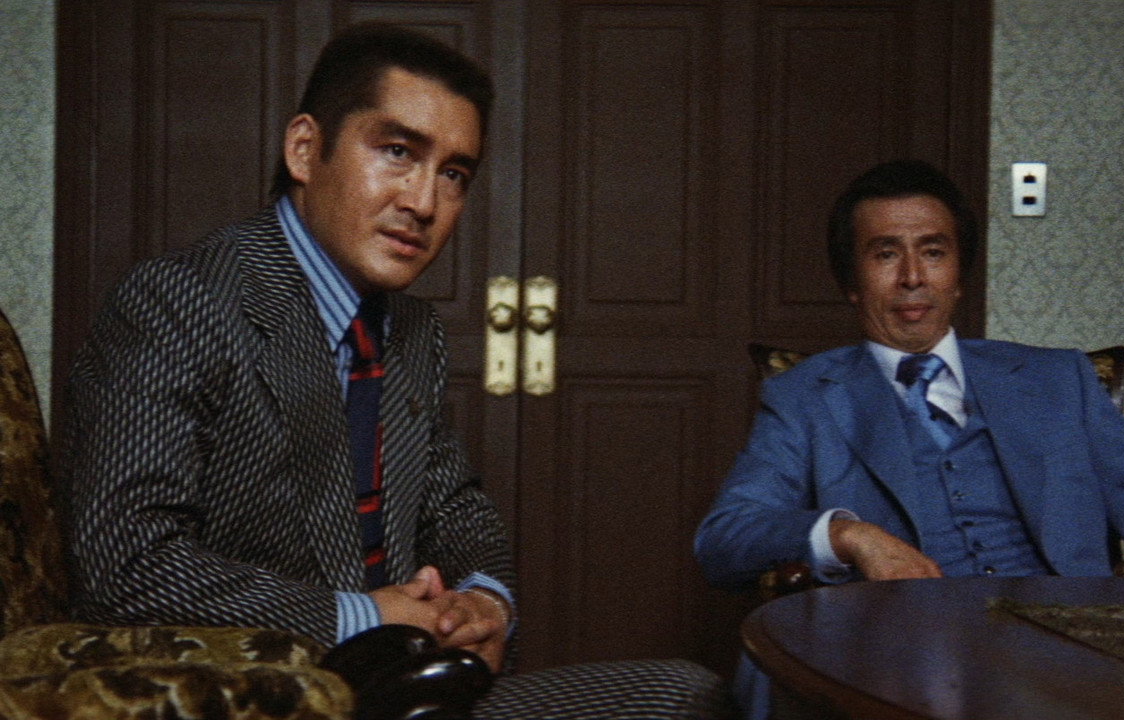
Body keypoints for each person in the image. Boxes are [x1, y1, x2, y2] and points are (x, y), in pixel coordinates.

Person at [63, 23, 727, 719]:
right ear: (305, 149)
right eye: (397, 152)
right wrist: (360, 618)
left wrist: (486, 601)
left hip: (409, 688)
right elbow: (124, 563)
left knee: (684, 696)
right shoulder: (178, 301)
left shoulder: (411, 331)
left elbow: (455, 505)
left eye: (454, 174)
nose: (424, 203)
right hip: (262, 697)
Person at [694, 159, 1124, 718]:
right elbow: (725, 538)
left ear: (958, 276)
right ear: (851, 283)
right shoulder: (804, 396)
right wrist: (850, 535)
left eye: (933, 252)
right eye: (885, 254)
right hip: (897, 655)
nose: (912, 277)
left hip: (1068, 653)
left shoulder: (1057, 379)